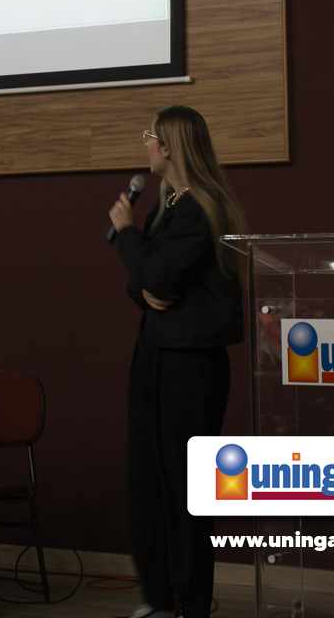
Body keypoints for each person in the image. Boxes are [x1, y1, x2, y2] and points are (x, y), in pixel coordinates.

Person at [108, 105, 245, 618]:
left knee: (185, 486)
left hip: (189, 365)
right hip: (156, 355)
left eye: (149, 136)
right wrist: (143, 280)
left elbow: (157, 274)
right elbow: (143, 281)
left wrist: (127, 233)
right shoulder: (168, 205)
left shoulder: (202, 207)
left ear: (167, 146)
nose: (145, 144)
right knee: (149, 479)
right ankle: (161, 598)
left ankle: (190, 602)